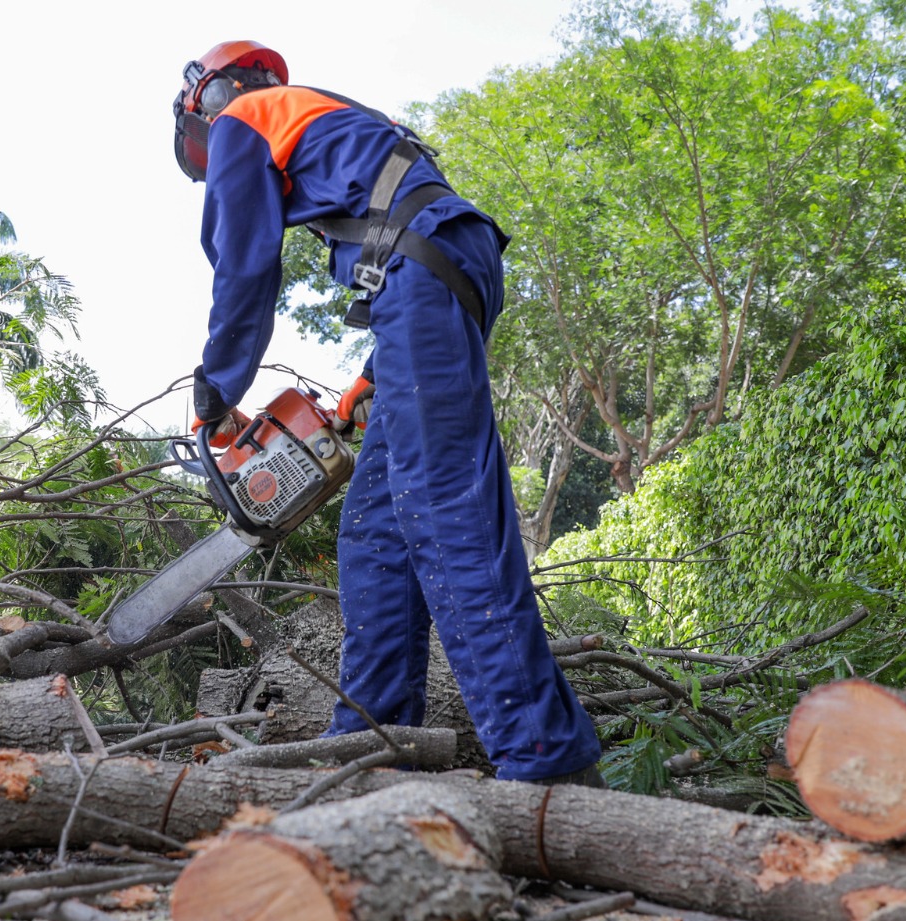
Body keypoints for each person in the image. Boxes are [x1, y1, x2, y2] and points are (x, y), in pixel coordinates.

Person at [173, 41, 604, 785]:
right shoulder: (326, 120)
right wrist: (371, 377)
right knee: (376, 528)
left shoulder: (246, 119)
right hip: (438, 267)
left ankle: (545, 758)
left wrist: (213, 391)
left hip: (423, 269)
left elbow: (244, 268)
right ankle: (374, 738)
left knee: (446, 517)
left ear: (208, 102)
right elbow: (401, 222)